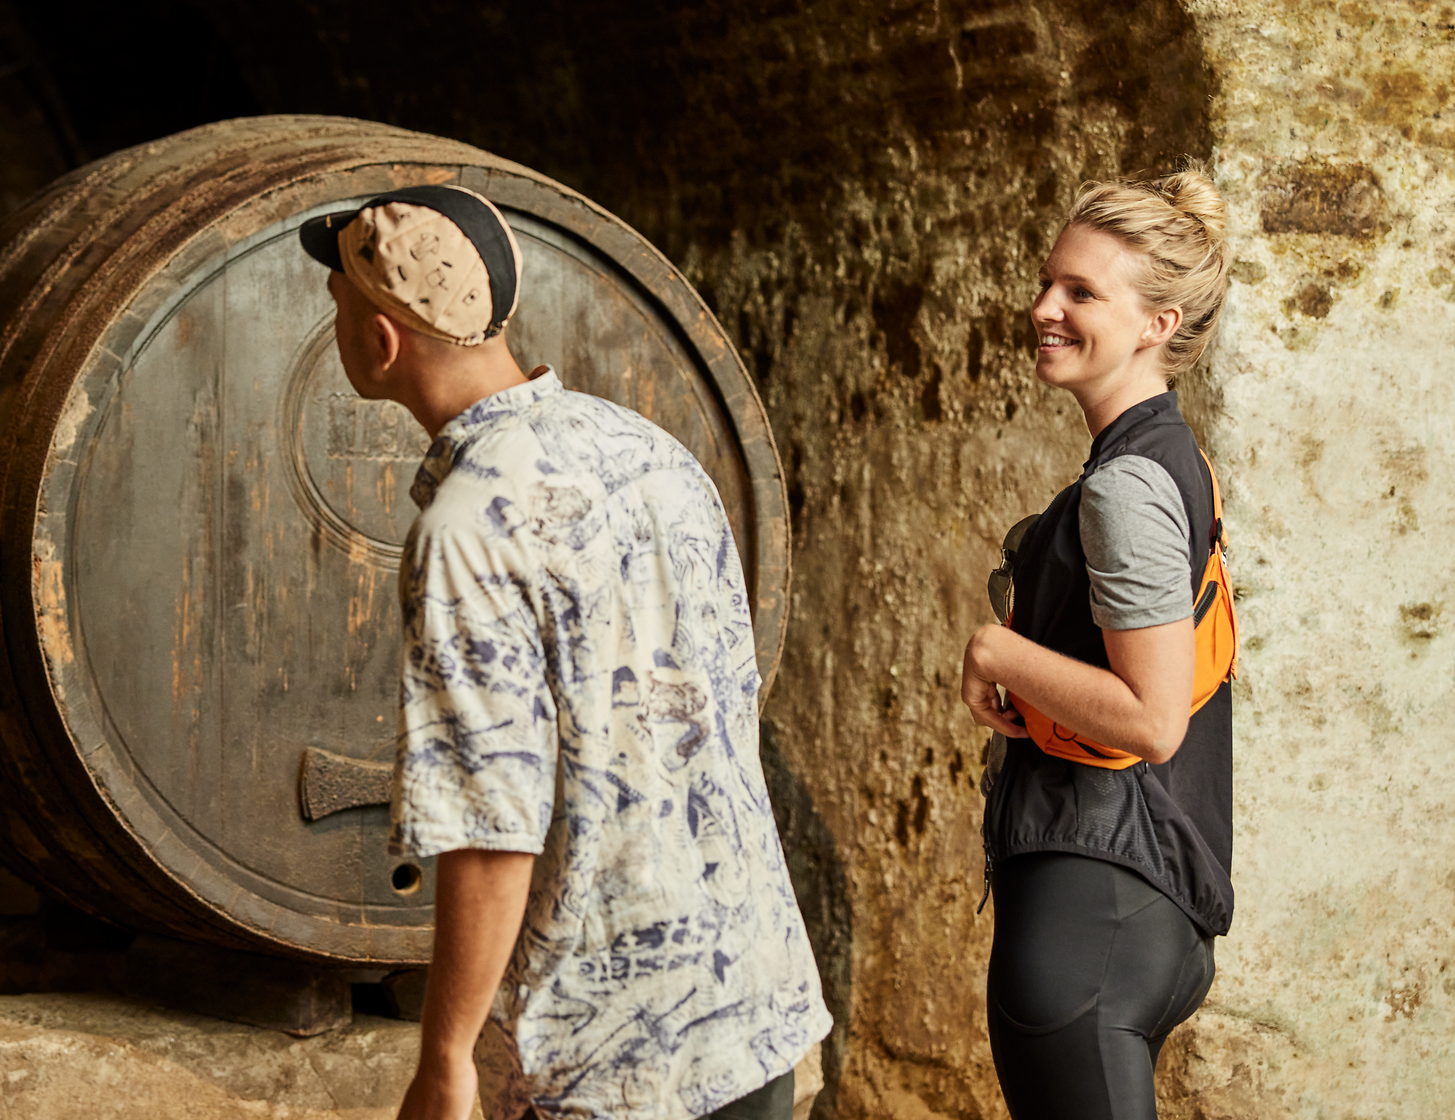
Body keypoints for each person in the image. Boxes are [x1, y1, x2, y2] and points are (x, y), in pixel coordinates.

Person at [299, 186, 828, 1120]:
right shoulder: (652, 451)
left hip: (598, 1062)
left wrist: (447, 1059)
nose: (335, 315)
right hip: (751, 1008)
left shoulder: (466, 526)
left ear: (382, 340)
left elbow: (493, 825)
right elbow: (726, 707)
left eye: (341, 298)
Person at [959, 168, 1236, 1120]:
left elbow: (1153, 718)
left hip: (1095, 917)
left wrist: (997, 652)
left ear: (1158, 323)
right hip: (1129, 910)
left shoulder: (1126, 487)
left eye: (1081, 292)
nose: (1045, 307)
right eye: (1049, 283)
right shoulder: (1169, 455)